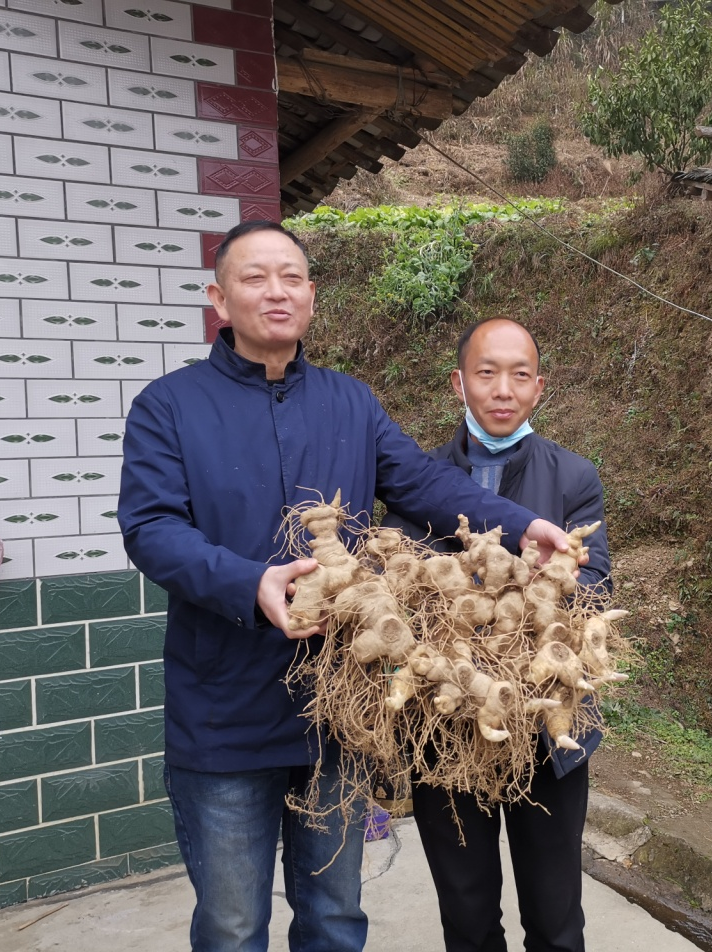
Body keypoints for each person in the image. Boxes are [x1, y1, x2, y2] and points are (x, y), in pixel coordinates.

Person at [117, 223, 578, 952]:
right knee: (233, 925)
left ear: (311, 295)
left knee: (334, 916)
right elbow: (150, 529)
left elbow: (425, 483)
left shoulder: (349, 403)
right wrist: (250, 582)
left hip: (339, 707)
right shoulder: (168, 406)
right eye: (256, 277)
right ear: (219, 299)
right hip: (223, 712)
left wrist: (522, 526)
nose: (277, 292)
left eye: (292, 277)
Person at [387, 316, 610, 952]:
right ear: (460, 383)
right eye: (486, 373)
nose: (502, 389)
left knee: (555, 914)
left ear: (540, 387)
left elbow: (597, 587)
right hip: (447, 727)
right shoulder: (417, 480)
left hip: (547, 727)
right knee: (466, 913)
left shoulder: (573, 478)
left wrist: (551, 591)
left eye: (518, 375)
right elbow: (401, 591)